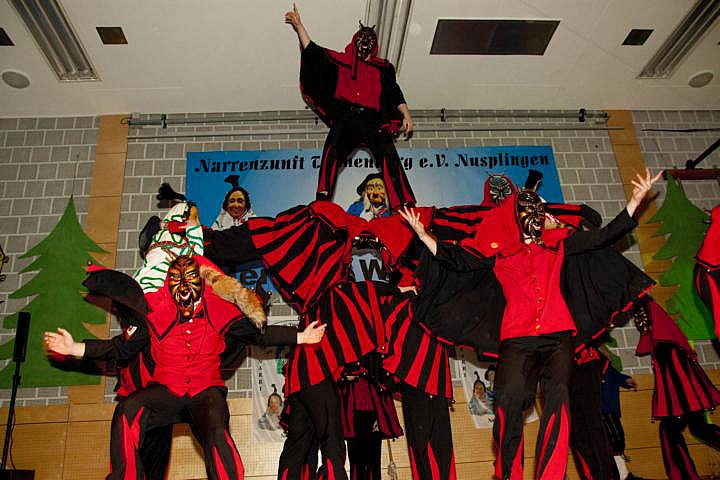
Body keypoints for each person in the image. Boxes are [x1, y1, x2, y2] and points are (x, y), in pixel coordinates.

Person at [400, 169, 661, 480]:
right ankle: (508, 472)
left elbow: (604, 236)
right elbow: (458, 259)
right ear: (515, 216)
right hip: (517, 339)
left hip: (558, 338)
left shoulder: (558, 244)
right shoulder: (500, 253)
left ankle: (550, 475)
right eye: (528, 209)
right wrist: (424, 236)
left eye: (538, 208)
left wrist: (634, 202)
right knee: (508, 400)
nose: (536, 215)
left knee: (558, 399)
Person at [45, 255, 326, 480]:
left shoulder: (219, 309)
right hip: (166, 392)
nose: (183, 289)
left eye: (189, 280)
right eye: (176, 281)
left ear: (201, 283)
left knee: (217, 432)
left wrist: (302, 337)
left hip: (205, 394)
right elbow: (122, 346)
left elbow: (257, 335)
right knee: (127, 410)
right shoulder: (155, 311)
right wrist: (75, 348)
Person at [285, 4, 416, 210]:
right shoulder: (341, 61)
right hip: (346, 117)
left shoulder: (383, 68)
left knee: (388, 155)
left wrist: (406, 115)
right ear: (355, 40)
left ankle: (403, 202)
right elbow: (314, 52)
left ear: (374, 45)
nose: (365, 44)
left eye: (370, 40)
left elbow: (394, 92)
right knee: (331, 152)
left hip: (372, 120)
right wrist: (299, 26)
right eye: (362, 39)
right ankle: (323, 198)